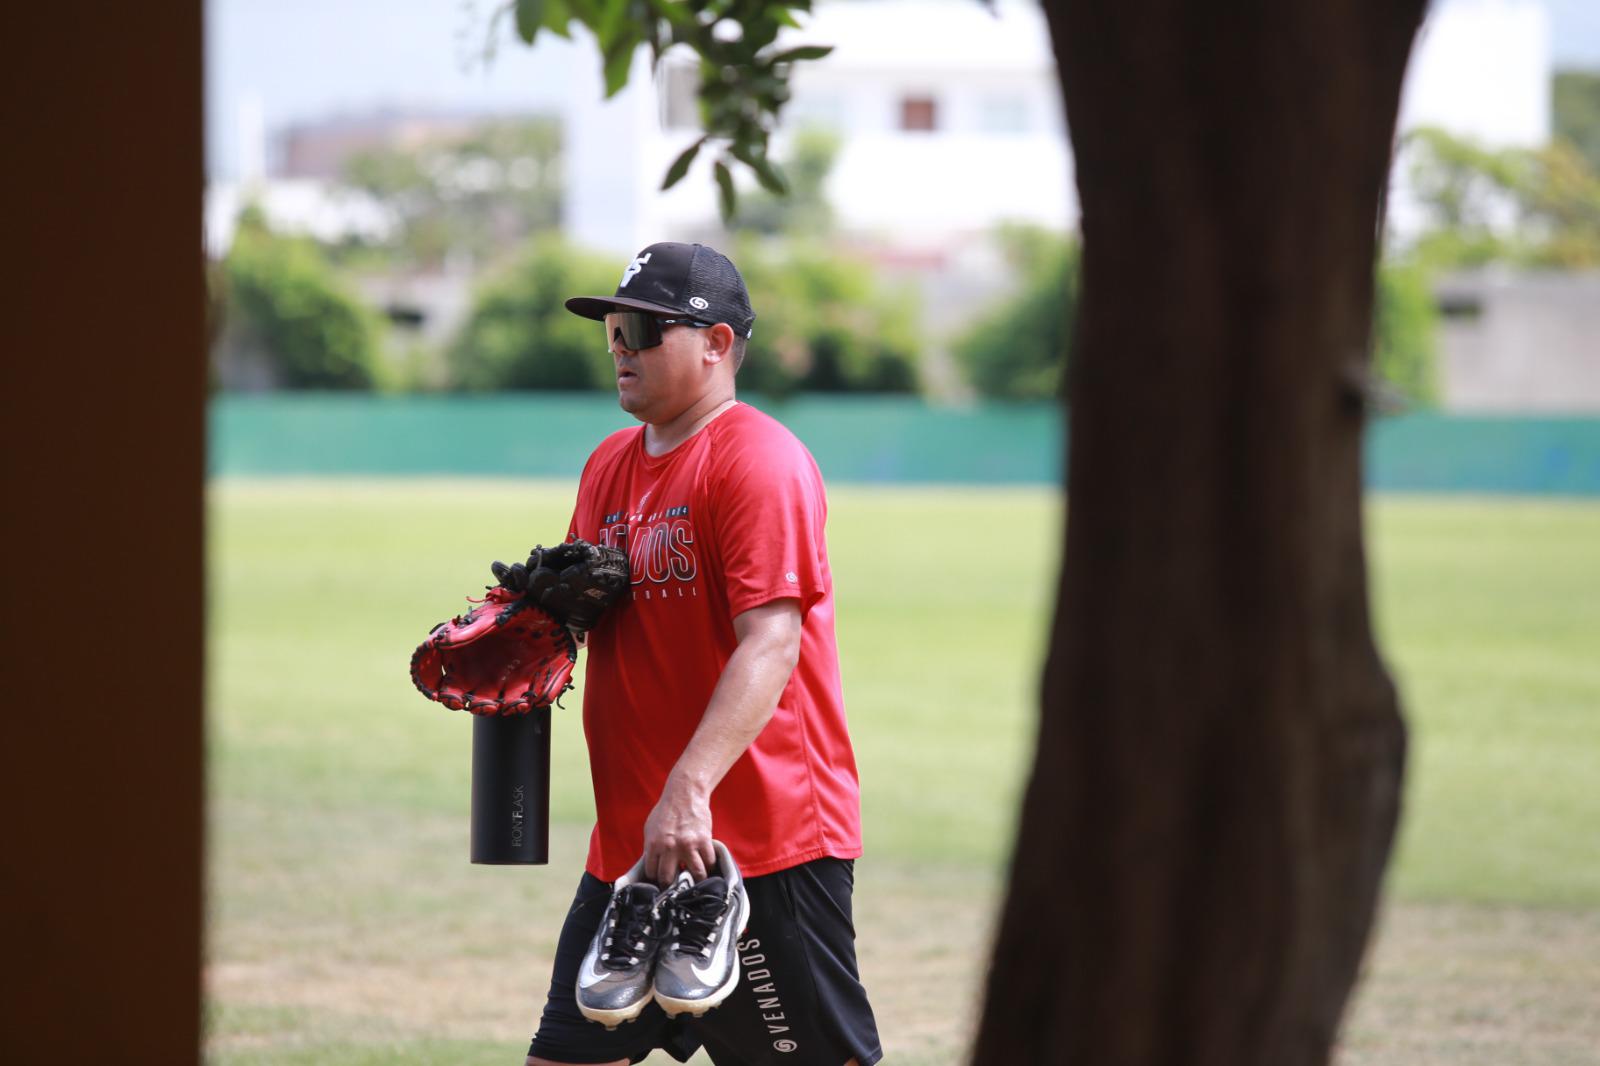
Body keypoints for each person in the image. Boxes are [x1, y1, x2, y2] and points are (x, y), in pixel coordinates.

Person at [525, 242, 881, 1066]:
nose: (620, 347)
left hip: (756, 844)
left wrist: (687, 791)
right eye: (612, 329)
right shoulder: (608, 466)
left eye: (644, 330)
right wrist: (531, 630)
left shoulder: (758, 460)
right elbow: (595, 620)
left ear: (717, 343)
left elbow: (774, 640)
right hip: (631, 851)